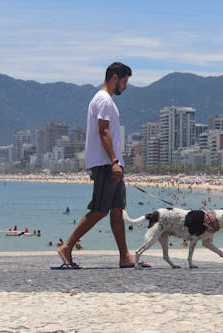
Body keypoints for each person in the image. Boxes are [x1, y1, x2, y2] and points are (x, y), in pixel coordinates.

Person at [57, 62, 149, 269]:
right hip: (106, 163)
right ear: (115, 78)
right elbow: (103, 131)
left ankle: (124, 255)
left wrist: (117, 162)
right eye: (124, 82)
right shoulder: (103, 100)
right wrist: (114, 162)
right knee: (100, 209)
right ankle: (67, 247)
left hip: (112, 163)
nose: (125, 87)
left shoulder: (104, 100)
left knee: (117, 210)